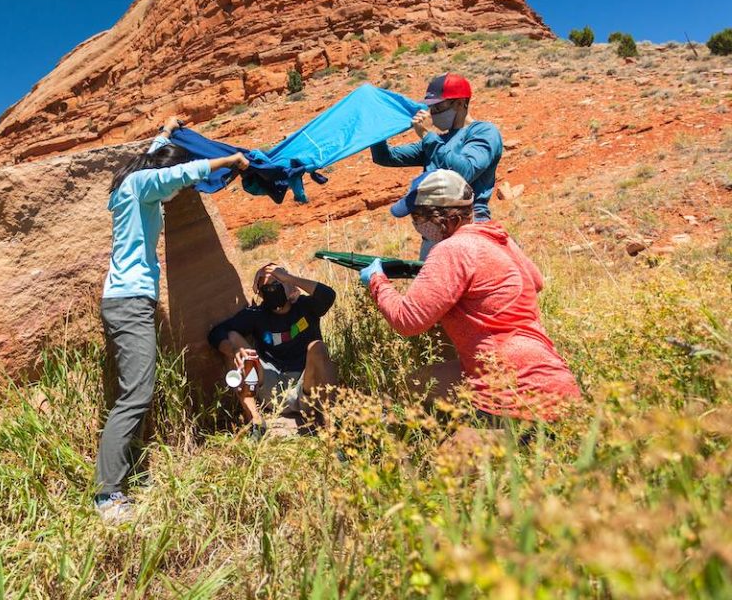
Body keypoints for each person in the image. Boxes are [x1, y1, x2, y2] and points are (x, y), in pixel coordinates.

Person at [95, 116, 249, 524]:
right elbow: (179, 172)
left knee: (138, 390)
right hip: (129, 302)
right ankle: (107, 493)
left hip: (127, 300)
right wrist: (228, 159)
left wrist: (164, 132)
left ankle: (129, 476)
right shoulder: (143, 186)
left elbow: (154, 161)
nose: (177, 191)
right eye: (172, 184)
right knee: (136, 394)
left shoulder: (132, 184)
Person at [359, 169, 582, 423]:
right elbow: (536, 281)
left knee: (450, 462)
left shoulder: (451, 249)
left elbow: (407, 320)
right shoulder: (497, 238)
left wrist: (377, 281)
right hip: (551, 377)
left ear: (439, 217)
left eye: (418, 218)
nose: (417, 226)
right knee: (418, 383)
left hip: (511, 387)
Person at [370, 73, 503, 258]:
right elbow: (385, 157)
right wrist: (378, 131)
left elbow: (464, 172)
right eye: (431, 107)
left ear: (460, 102)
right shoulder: (437, 141)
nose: (433, 113)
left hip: (469, 224)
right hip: (435, 228)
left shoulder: (483, 132)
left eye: (439, 106)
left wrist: (426, 135)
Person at [208, 264, 339, 438]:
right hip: (272, 389)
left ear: (289, 286)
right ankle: (256, 423)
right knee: (233, 337)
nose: (272, 290)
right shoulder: (256, 314)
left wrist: (289, 278)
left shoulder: (305, 307)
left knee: (318, 348)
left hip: (306, 385)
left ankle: (332, 426)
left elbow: (328, 295)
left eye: (277, 284)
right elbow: (216, 333)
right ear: (260, 292)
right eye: (266, 287)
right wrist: (234, 352)